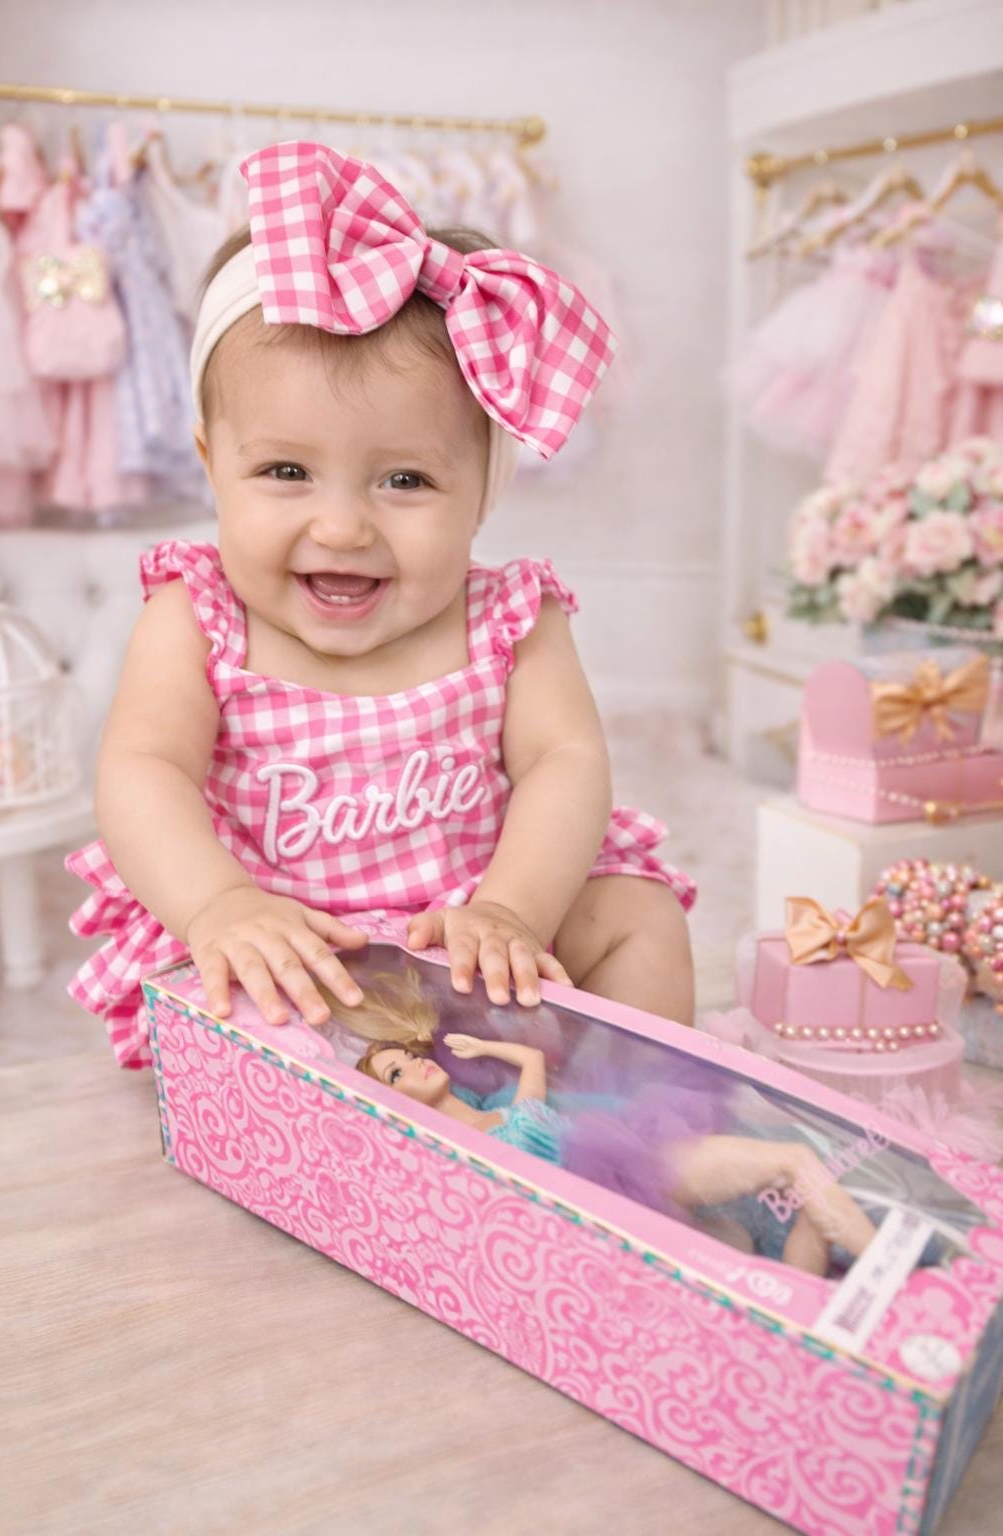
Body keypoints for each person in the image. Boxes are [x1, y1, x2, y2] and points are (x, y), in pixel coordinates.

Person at [66, 140, 695, 1070]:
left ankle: (628, 1117)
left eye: (405, 480)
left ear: (483, 493)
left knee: (640, 916)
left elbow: (564, 762)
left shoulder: (511, 619)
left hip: (478, 937)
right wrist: (219, 905)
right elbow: (142, 767)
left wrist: (514, 910)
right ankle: (337, 1134)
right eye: (286, 471)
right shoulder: (198, 615)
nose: (342, 526)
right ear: (212, 466)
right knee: (242, 1007)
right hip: (301, 950)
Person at [356, 1033, 879, 1277]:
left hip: (633, 1159)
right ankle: (880, 1272)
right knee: (791, 1164)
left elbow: (533, 1057)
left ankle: (833, 1293)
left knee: (795, 1178)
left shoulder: (502, 1110)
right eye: (397, 1073)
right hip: (612, 1197)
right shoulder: (452, 1155)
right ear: (392, 1100)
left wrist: (483, 1047)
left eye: (409, 1057)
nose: (415, 1066)